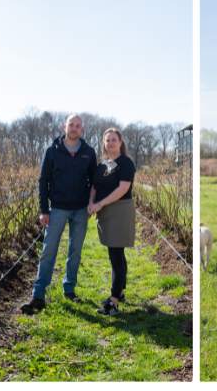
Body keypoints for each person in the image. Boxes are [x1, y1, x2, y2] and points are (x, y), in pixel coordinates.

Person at [20, 114, 97, 313]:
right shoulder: (52, 151)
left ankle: (69, 290)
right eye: (71, 125)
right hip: (57, 209)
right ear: (65, 127)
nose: (74, 128)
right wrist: (43, 209)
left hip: (80, 210)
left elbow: (94, 182)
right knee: (48, 250)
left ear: (82, 129)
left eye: (78, 126)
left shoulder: (89, 152)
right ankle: (38, 295)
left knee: (75, 251)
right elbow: (43, 180)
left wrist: (91, 203)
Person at [88, 128, 136, 316]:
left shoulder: (126, 163)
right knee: (117, 253)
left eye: (114, 140)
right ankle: (120, 293)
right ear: (104, 143)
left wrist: (99, 204)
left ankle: (113, 303)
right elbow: (94, 186)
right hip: (104, 210)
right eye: (107, 140)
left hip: (120, 210)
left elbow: (122, 189)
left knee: (116, 256)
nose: (110, 143)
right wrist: (91, 203)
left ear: (120, 142)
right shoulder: (102, 165)